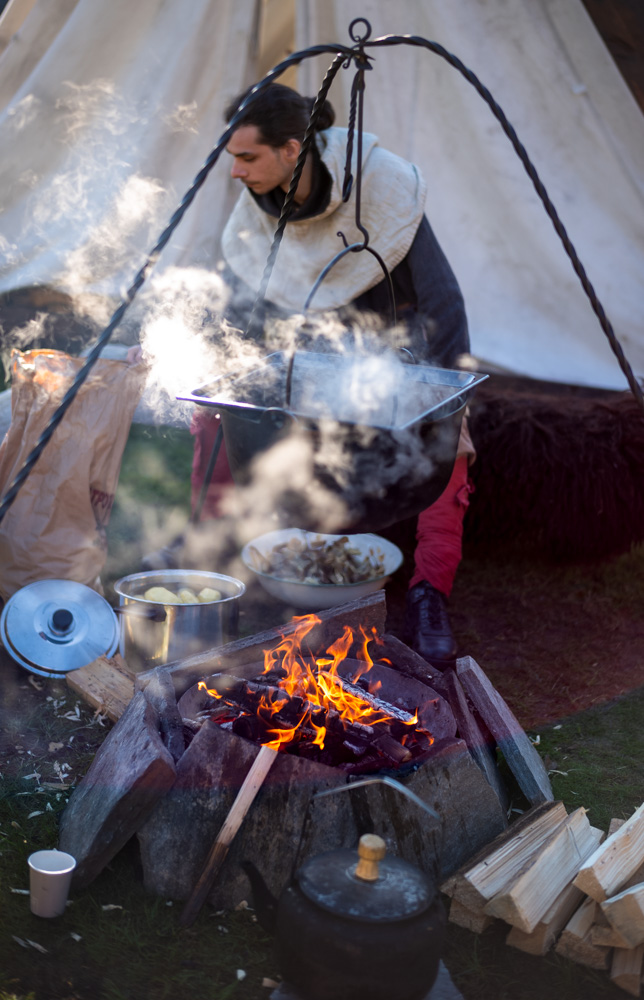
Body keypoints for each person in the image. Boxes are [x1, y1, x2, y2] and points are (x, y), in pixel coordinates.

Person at [187, 83, 475, 667]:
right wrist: (226, 371)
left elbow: (443, 301)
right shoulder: (257, 204)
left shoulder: (381, 192)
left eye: (247, 157)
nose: (236, 172)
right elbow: (241, 307)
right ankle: (212, 566)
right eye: (233, 158)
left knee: (450, 449)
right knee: (217, 416)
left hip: (390, 359)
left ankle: (428, 594)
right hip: (308, 357)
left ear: (292, 150)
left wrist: (445, 406)